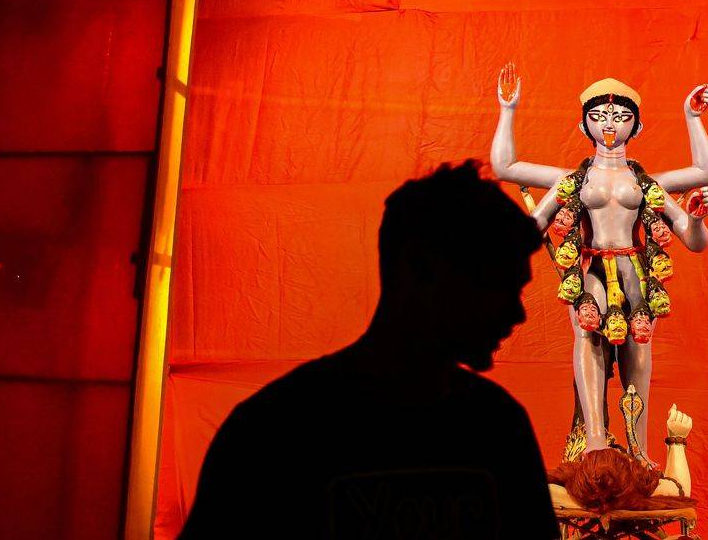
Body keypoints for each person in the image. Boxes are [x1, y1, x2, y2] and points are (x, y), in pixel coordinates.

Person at [178, 161, 557, 540]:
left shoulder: (500, 426)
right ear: (421, 269)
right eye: (498, 286)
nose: (517, 314)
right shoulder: (274, 433)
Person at [490, 64, 708, 461]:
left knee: (639, 353)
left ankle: (638, 448)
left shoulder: (646, 184)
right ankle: (595, 439)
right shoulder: (574, 180)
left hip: (636, 273)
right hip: (591, 271)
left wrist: (692, 120)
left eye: (620, 116)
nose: (609, 124)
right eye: (598, 116)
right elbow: (505, 168)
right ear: (584, 127)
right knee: (588, 336)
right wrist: (507, 111)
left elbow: (704, 192)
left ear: (637, 126)